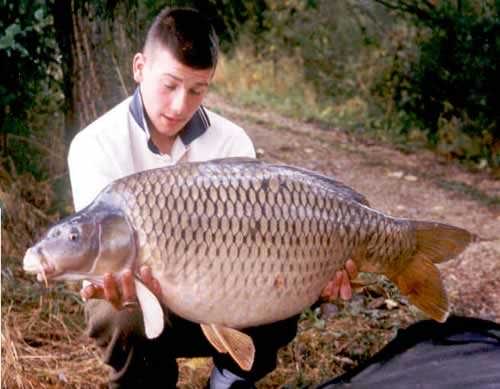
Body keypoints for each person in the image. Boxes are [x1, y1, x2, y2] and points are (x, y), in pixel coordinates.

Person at [68, 7, 356, 388]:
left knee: (283, 282)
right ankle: (147, 381)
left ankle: (230, 379)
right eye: (169, 85)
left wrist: (317, 272)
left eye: (197, 90)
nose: (179, 106)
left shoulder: (232, 141)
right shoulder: (94, 145)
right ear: (140, 67)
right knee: (116, 315)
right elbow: (98, 254)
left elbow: (265, 243)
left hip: (222, 291)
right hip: (139, 299)